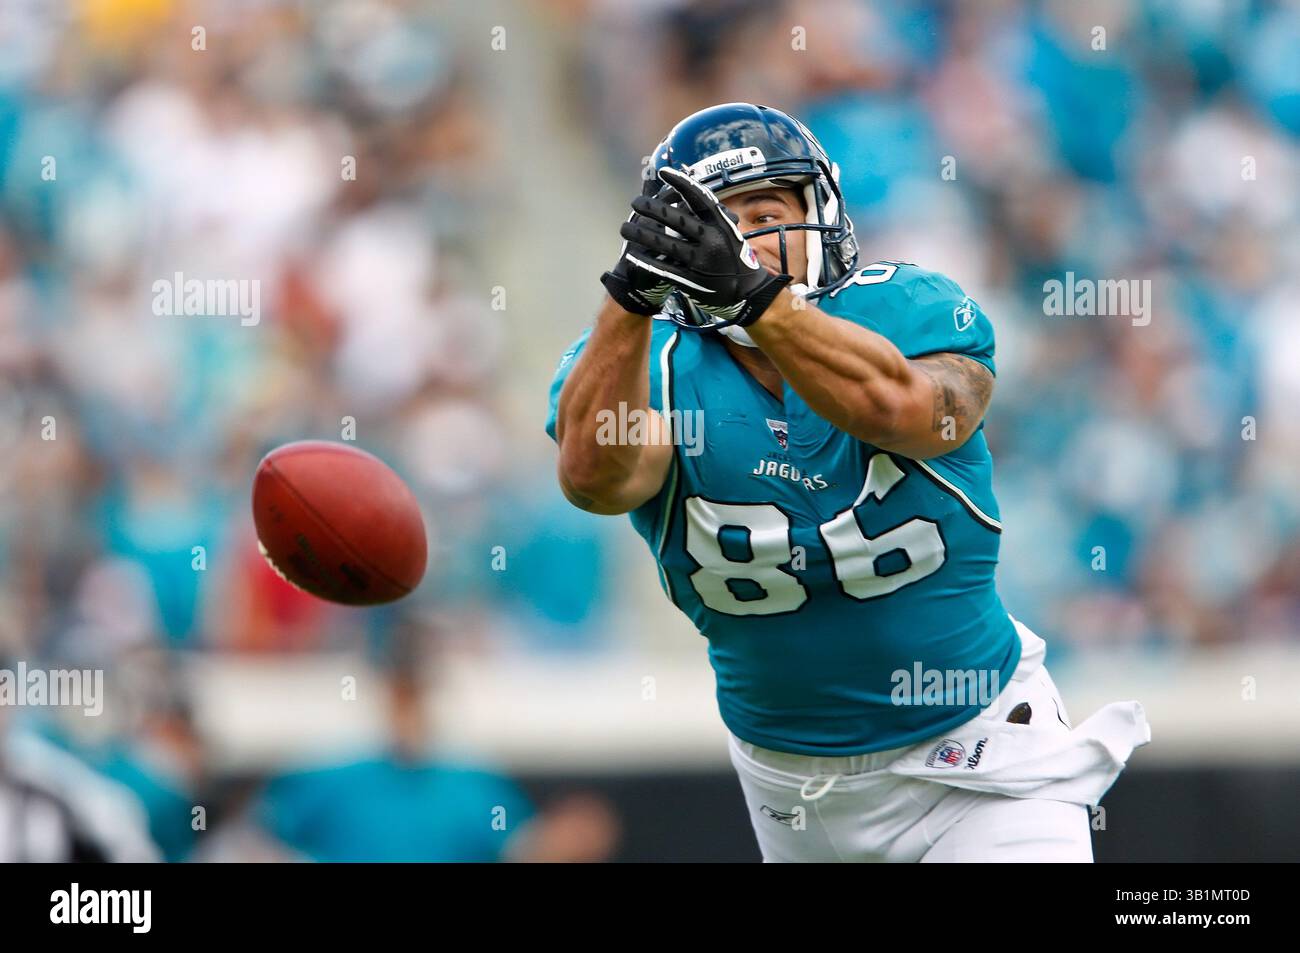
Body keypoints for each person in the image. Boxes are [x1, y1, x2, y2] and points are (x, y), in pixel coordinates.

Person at [546, 102, 1150, 862]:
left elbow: (906, 410)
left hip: (979, 753)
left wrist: (755, 300)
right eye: (711, 225)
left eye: (763, 214)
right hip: (793, 793)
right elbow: (594, 482)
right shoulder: (650, 364)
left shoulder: (909, 310)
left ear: (820, 212)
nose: (739, 244)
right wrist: (627, 299)